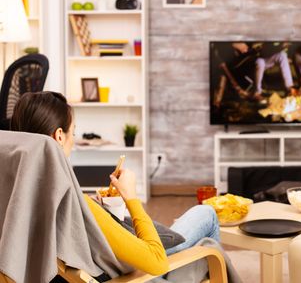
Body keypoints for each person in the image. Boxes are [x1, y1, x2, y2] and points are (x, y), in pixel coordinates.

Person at [10, 91, 221, 276]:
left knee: (201, 232)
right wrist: (131, 197)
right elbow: (156, 261)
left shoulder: (14, 203)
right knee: (207, 216)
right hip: (135, 276)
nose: (73, 141)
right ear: (58, 136)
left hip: (99, 267)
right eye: (72, 133)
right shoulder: (75, 205)